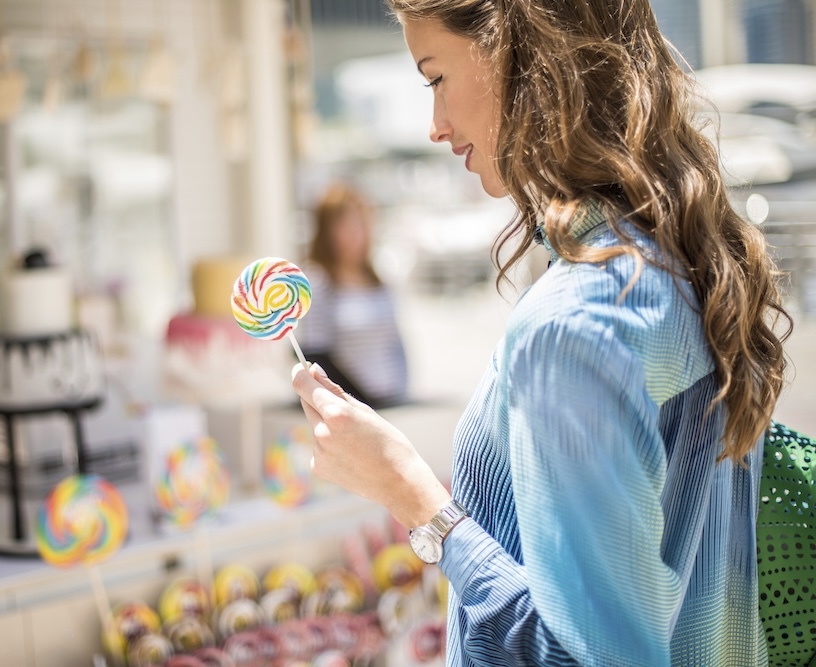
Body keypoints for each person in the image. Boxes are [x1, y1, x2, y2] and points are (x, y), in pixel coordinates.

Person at [291, 1, 792, 666]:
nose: (435, 126)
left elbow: (583, 656)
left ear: (516, 54)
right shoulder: (677, 264)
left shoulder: (572, 322)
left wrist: (414, 497)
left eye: (435, 77)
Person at [299, 182, 409, 409]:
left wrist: (403, 391)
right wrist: (357, 404)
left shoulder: (379, 280)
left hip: (392, 402)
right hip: (351, 408)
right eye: (345, 225)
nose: (355, 233)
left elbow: (395, 344)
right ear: (326, 231)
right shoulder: (318, 283)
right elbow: (317, 355)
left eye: (361, 223)